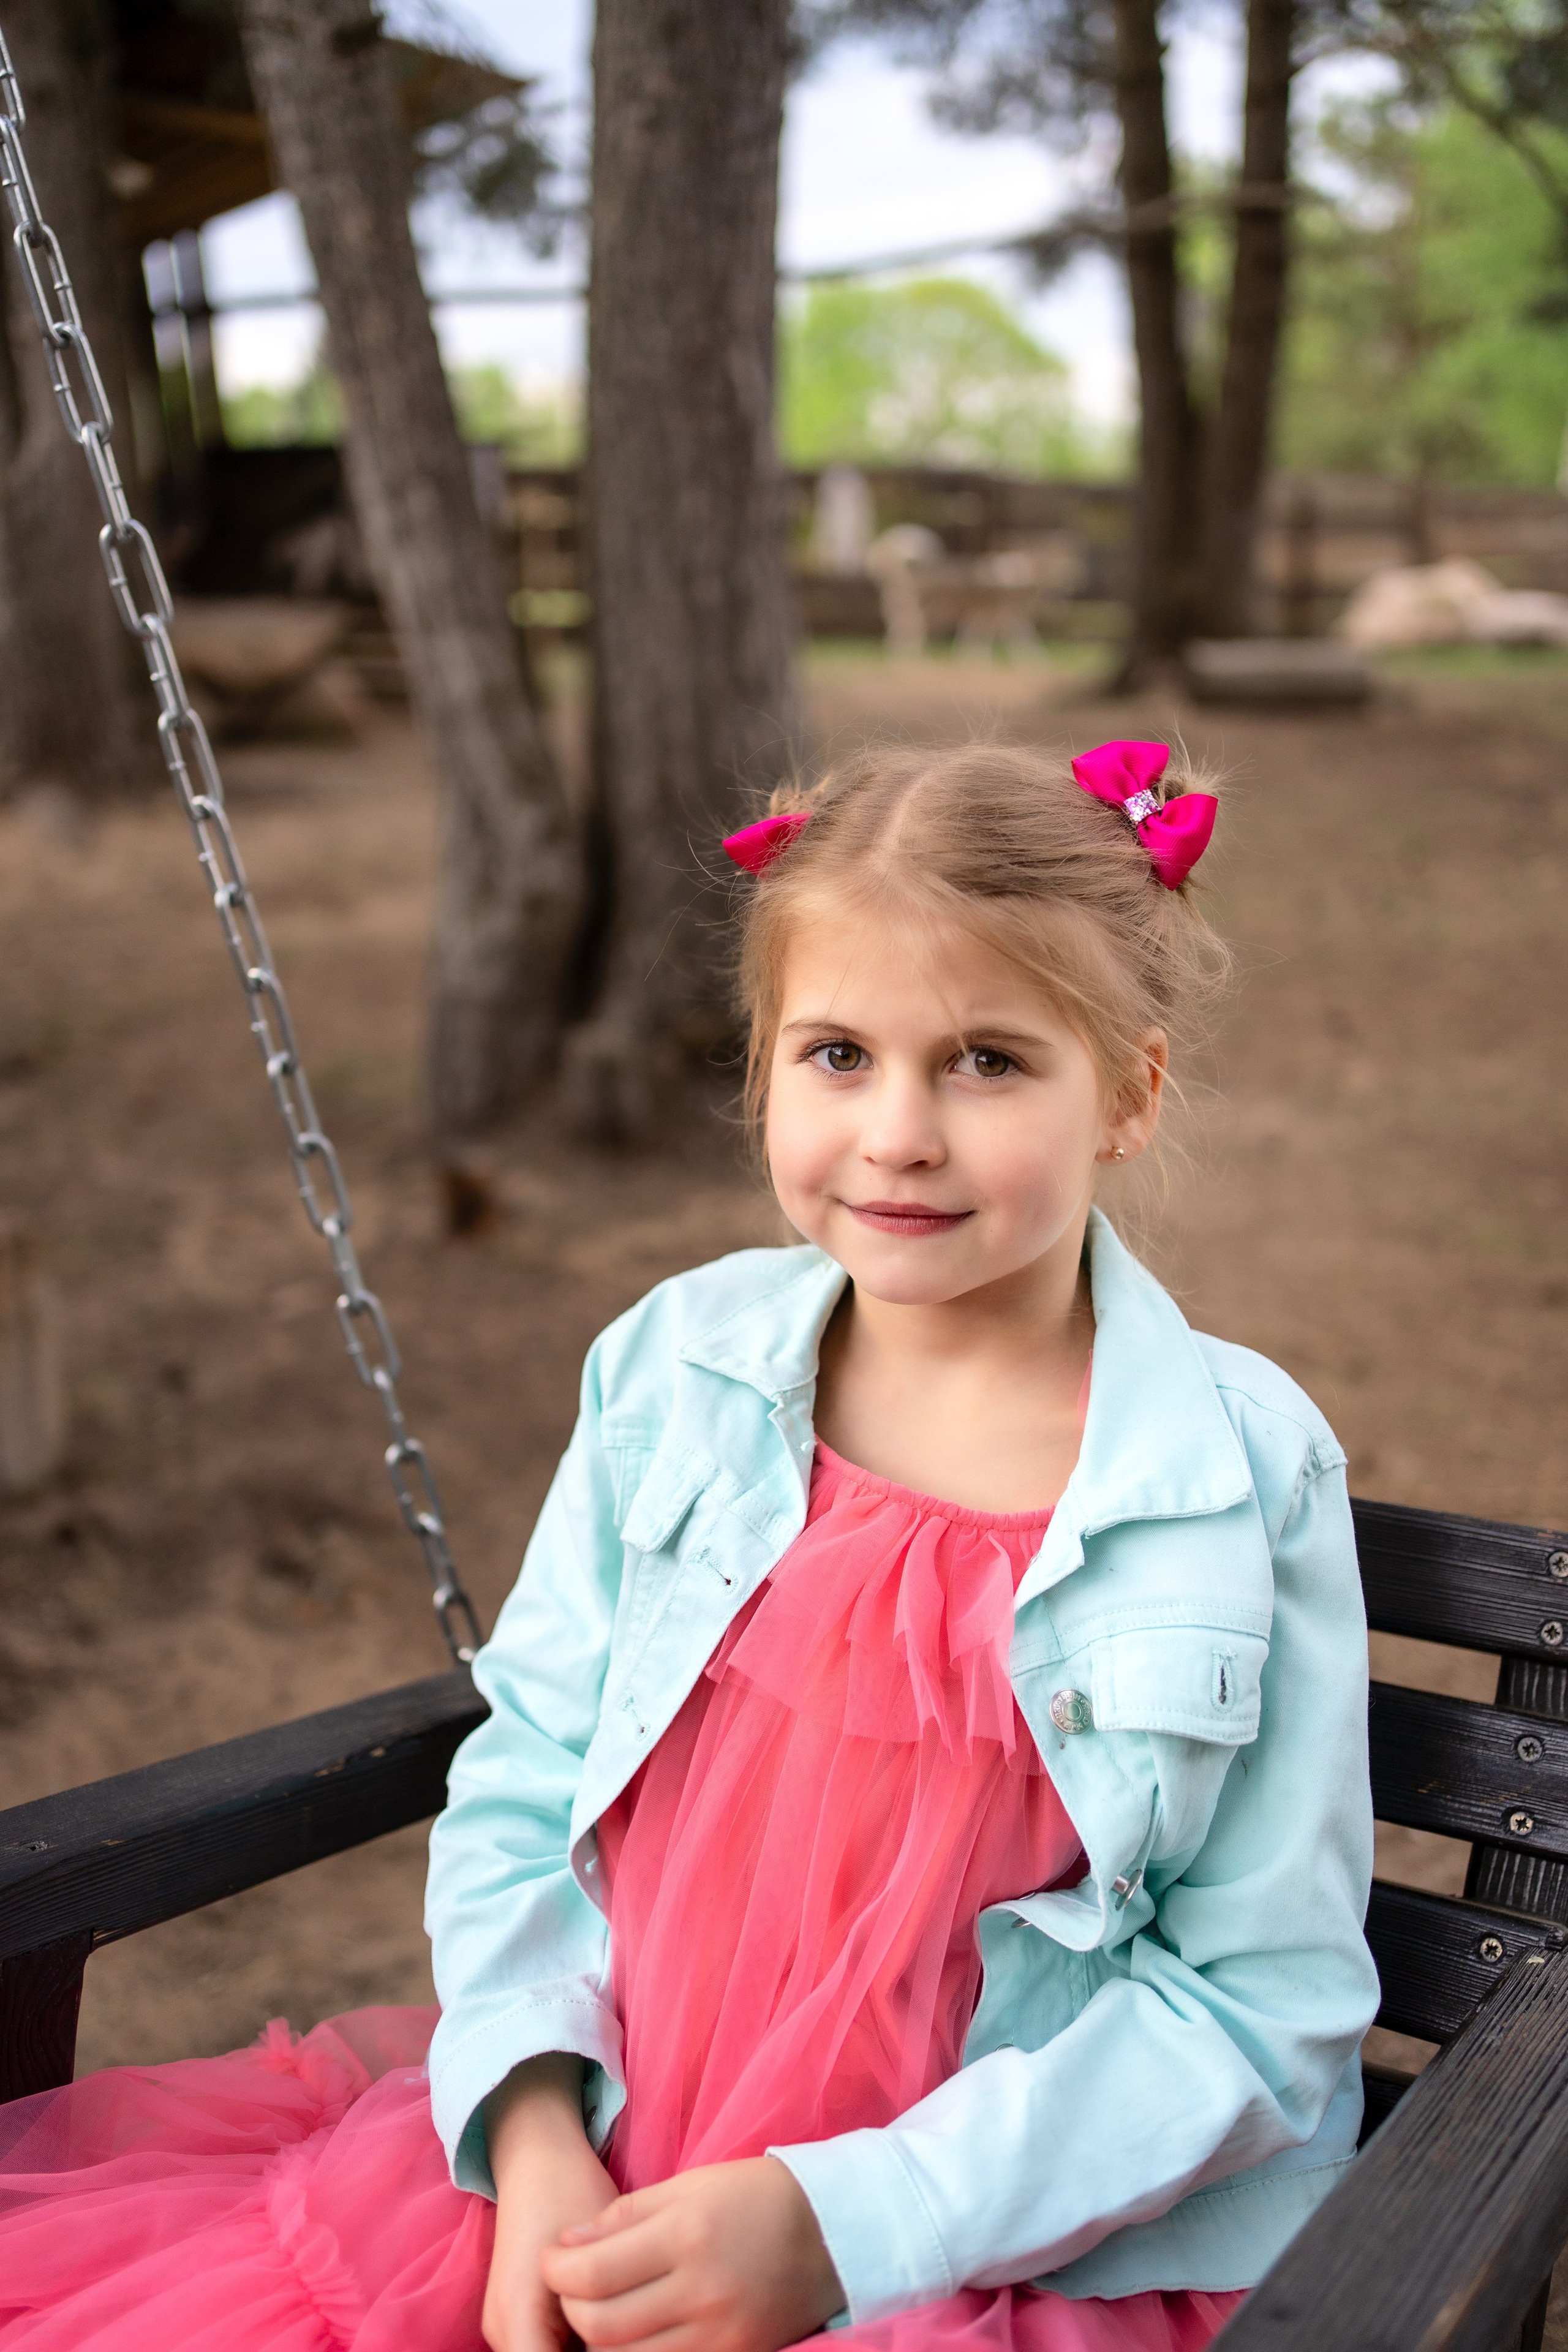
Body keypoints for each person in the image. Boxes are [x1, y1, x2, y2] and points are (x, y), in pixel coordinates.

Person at [0, 741, 1378, 2352]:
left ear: (1130, 1093)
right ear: (764, 1069)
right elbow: (532, 1773)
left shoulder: (1230, 1475)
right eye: (839, 1053)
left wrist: (839, 2227)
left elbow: (1261, 1999)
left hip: (979, 2249)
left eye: (990, 1062)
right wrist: (528, 2138)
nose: (901, 1134)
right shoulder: (679, 1375)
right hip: (604, 2165)